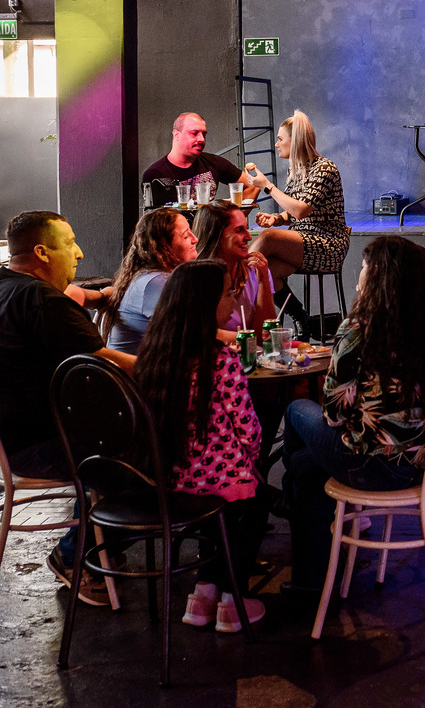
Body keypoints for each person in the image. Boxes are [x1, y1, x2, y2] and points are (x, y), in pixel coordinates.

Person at [281, 237, 425, 593]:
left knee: (296, 413)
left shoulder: (360, 330)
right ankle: (316, 566)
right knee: (303, 467)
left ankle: (311, 578)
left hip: (373, 465)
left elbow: (333, 415)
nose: (359, 277)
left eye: (363, 268)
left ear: (378, 275)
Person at [0, 211, 136, 606]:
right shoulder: (42, 299)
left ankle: (96, 549)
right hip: (44, 445)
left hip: (11, 445)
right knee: (151, 459)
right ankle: (78, 556)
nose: (79, 253)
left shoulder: (7, 288)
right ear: (42, 253)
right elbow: (105, 363)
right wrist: (174, 362)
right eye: (70, 244)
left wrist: (99, 295)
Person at [134, 259, 267, 632]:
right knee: (253, 503)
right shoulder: (221, 359)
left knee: (216, 509)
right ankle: (233, 600)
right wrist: (251, 462)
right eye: (227, 293)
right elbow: (248, 428)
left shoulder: (155, 354)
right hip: (218, 479)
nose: (234, 297)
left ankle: (203, 592)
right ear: (206, 304)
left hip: (171, 480)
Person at [246, 110, 350, 336]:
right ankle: (299, 316)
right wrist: (277, 218)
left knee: (267, 238)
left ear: (296, 141)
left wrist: (267, 186)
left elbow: (302, 210)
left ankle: (234, 285)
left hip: (327, 244)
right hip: (302, 242)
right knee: (266, 270)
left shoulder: (325, 168)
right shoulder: (295, 170)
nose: (276, 144)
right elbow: (293, 211)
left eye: (280, 139)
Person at [99, 207, 197, 353]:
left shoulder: (148, 276)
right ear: (163, 247)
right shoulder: (156, 282)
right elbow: (191, 338)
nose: (195, 239)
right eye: (185, 236)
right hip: (135, 368)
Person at [194, 200, 275, 343]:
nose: (248, 237)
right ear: (216, 235)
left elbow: (265, 337)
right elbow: (199, 335)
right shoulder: (194, 277)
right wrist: (247, 340)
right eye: (239, 230)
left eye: (247, 228)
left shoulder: (255, 270)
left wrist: (263, 282)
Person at [142, 112, 261, 202]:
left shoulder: (215, 162)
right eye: (194, 133)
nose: (201, 139)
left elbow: (254, 186)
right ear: (176, 135)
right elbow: (155, 222)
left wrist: (232, 219)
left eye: (204, 134)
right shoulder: (155, 174)